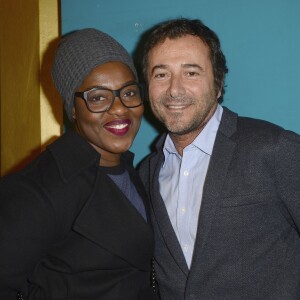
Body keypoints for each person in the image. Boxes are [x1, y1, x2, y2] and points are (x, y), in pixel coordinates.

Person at [138, 18, 300, 299]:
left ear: (219, 82)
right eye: (161, 74)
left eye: (191, 73)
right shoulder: (146, 173)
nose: (174, 89)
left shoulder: (274, 147)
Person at [0, 28, 157, 300]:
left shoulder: (136, 170)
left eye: (129, 92)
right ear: (73, 108)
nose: (119, 108)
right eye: (98, 97)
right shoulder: (38, 189)